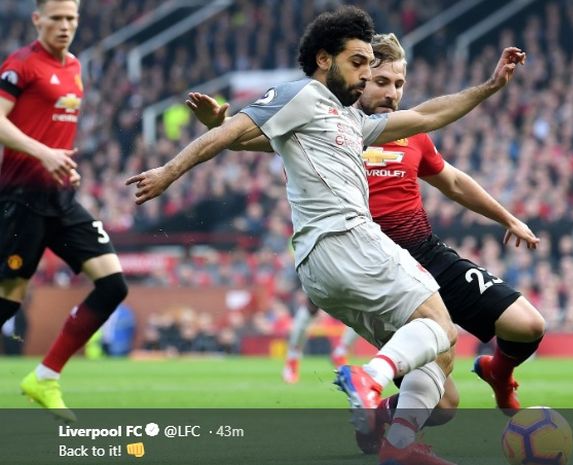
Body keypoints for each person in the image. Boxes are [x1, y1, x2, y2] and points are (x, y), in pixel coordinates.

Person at [127, 7, 524, 464]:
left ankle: (397, 447)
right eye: (357, 62)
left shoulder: (348, 121)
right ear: (323, 59)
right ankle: (369, 379)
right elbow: (237, 130)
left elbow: (427, 116)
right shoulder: (301, 95)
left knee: (439, 360)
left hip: (321, 269)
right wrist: (168, 171)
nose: (365, 74)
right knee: (439, 323)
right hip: (347, 238)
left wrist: (491, 86)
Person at [0, 0, 128, 422]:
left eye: (71, 18)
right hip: (20, 199)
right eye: (56, 17)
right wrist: (44, 154)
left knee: (112, 286)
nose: (65, 25)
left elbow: (54, 129)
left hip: (60, 198)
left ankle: (45, 377)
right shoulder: (21, 65)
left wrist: (63, 167)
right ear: (38, 19)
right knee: (8, 299)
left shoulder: (75, 66)